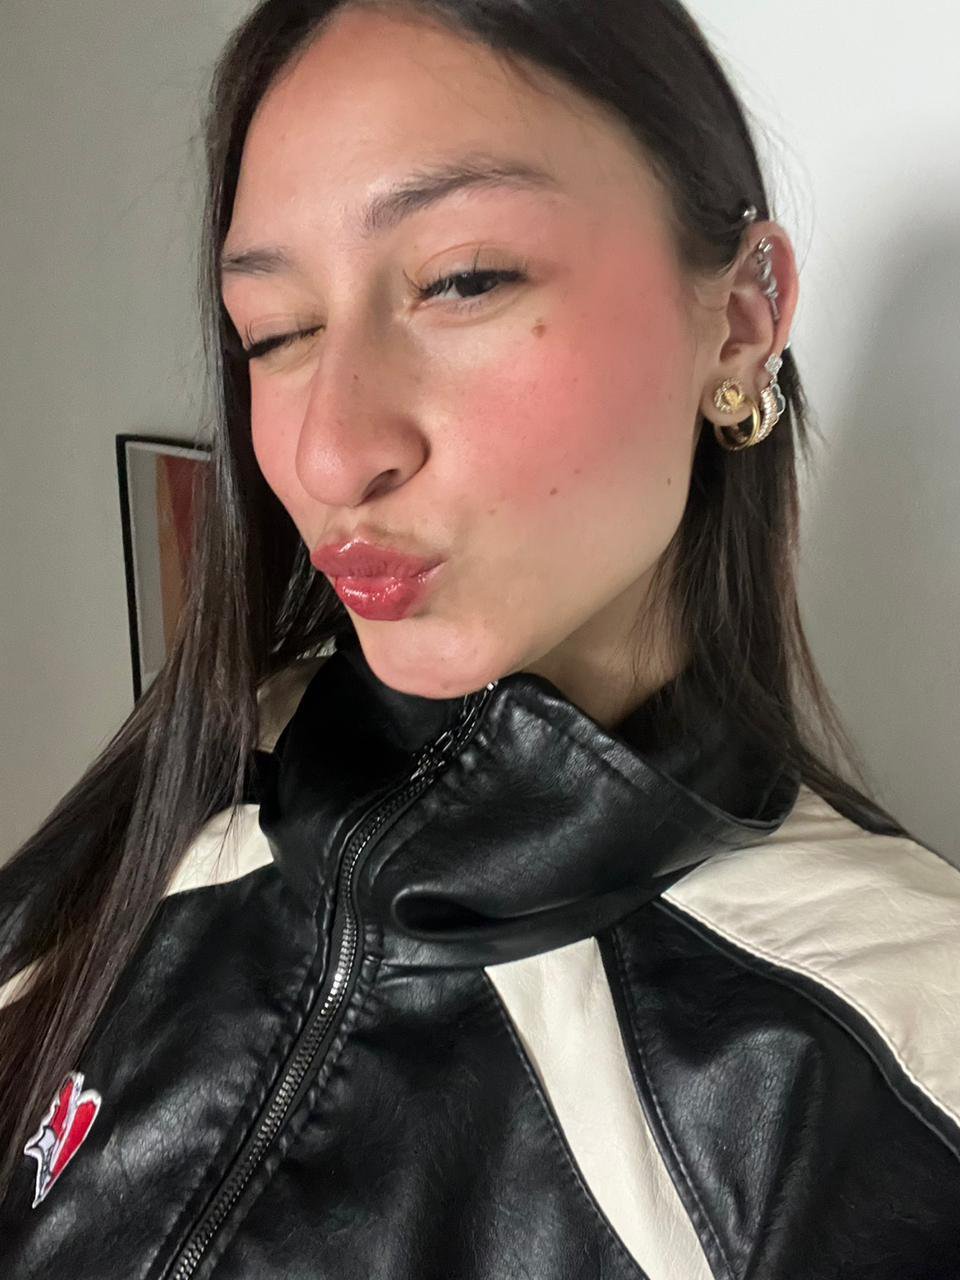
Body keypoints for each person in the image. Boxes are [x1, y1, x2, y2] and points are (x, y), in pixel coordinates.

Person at [1, 1, 957, 1275]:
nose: (332, 453)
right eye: (274, 332)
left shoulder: (890, 1066)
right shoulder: (181, 790)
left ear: (739, 317)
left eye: (462, 280)